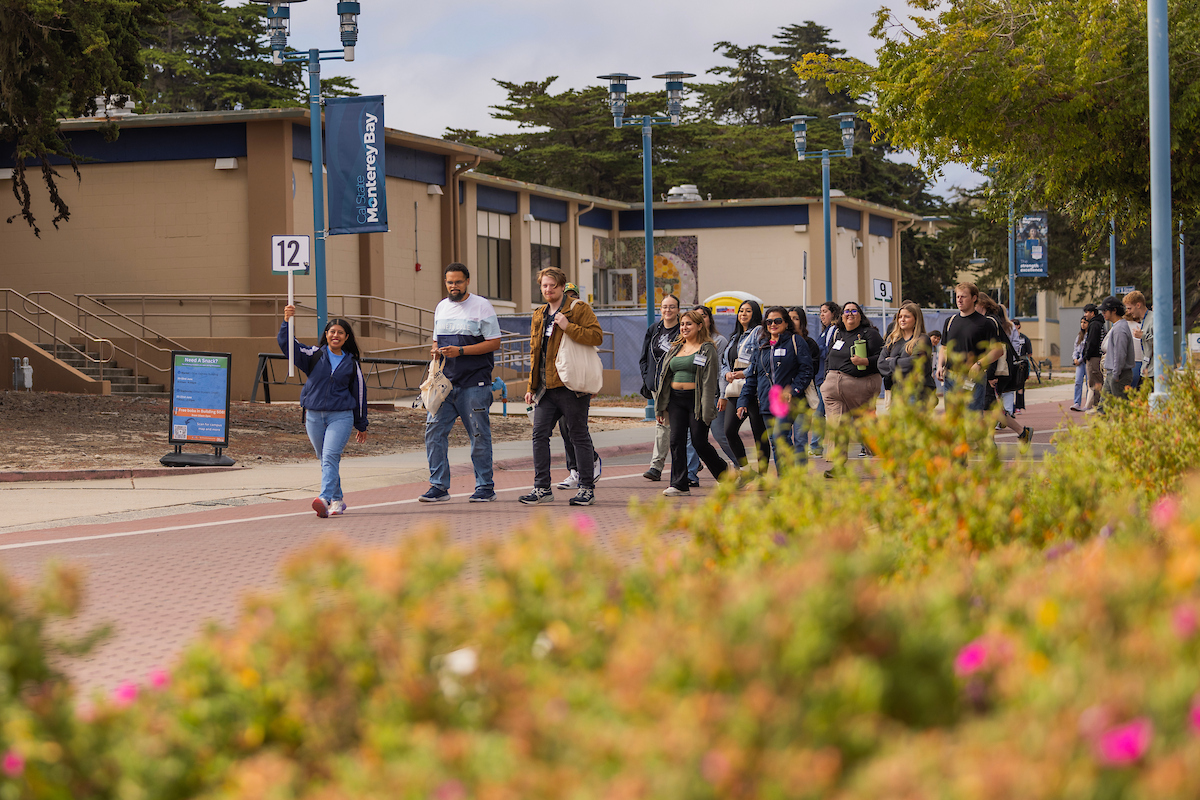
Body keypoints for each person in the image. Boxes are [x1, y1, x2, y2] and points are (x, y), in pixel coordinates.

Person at [419, 263, 503, 503]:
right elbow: (436, 341)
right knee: (433, 433)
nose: (453, 286)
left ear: (467, 281)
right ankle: (438, 486)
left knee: (478, 435)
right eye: (449, 282)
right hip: (444, 385)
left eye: (457, 282)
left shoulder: (481, 305)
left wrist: (462, 351)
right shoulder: (441, 307)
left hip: (474, 385)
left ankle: (485, 486)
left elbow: (494, 342)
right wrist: (436, 351)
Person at [521, 267, 604, 506]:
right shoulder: (539, 314)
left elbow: (596, 336)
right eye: (544, 286)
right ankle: (542, 488)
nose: (548, 290)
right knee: (539, 435)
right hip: (546, 389)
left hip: (572, 386)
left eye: (552, 286)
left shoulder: (578, 309)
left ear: (561, 286)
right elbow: (535, 352)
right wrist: (531, 386)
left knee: (578, 435)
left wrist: (568, 326)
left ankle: (586, 488)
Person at [279, 305, 368, 518]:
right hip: (313, 415)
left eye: (340, 333)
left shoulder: (351, 363)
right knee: (325, 458)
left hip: (341, 416)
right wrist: (286, 322)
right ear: (326, 335)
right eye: (332, 331)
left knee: (329, 456)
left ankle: (324, 498)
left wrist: (361, 423)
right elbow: (287, 346)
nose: (335, 335)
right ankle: (337, 500)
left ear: (346, 338)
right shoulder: (314, 355)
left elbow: (360, 393)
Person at [655, 309, 729, 496]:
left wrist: (707, 406)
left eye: (688, 324)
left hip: (697, 399)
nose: (684, 327)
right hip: (675, 400)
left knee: (699, 441)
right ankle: (679, 484)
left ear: (699, 326)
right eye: (682, 324)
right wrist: (660, 406)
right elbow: (665, 376)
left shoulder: (707, 348)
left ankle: (724, 474)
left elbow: (710, 379)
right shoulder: (675, 347)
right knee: (676, 441)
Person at [739, 306, 814, 472]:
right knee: (775, 443)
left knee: (781, 437)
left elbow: (806, 370)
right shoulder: (762, 346)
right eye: (769, 321)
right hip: (767, 402)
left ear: (786, 323)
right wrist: (743, 400)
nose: (773, 324)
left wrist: (793, 390)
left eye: (778, 321)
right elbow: (752, 376)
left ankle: (793, 477)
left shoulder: (795, 341)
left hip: (789, 401)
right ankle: (785, 483)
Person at [639, 295, 698, 484]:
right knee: (663, 424)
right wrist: (648, 378)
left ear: (678, 309)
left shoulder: (683, 330)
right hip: (657, 386)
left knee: (674, 427)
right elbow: (644, 357)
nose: (668, 310)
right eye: (664, 307)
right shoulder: (654, 329)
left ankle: (668, 465)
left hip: (676, 385)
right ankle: (658, 466)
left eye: (672, 307)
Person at [820, 300, 884, 464]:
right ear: (841, 316)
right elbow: (829, 357)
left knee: (865, 424)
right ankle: (838, 464)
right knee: (837, 425)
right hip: (834, 389)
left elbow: (882, 358)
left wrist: (865, 361)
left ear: (860, 315)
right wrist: (828, 375)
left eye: (854, 311)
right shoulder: (838, 334)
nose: (849, 314)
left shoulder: (869, 333)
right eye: (846, 311)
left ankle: (882, 455)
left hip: (860, 385)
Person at [555, 282, 602, 489]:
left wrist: (568, 326)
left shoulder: (581, 313)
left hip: (578, 381)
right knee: (563, 429)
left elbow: (595, 338)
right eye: (566, 296)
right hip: (556, 381)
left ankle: (589, 464)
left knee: (575, 428)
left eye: (572, 296)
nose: (570, 300)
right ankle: (574, 470)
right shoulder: (551, 316)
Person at [977, 293, 1032, 443]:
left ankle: (987, 440)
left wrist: (990, 374)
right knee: (991, 406)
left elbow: (996, 349)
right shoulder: (995, 320)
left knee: (987, 406)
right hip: (999, 370)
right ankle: (1022, 432)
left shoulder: (989, 321)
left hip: (995, 371)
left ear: (981, 304)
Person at [722, 300, 770, 470]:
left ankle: (763, 475)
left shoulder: (758, 332)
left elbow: (760, 360)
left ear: (755, 314)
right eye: (741, 311)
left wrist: (745, 373)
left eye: (748, 311)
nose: (743, 314)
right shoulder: (734, 336)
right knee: (728, 430)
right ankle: (744, 469)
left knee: (759, 434)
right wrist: (726, 373)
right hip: (735, 388)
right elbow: (724, 362)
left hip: (753, 387)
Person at [938, 283, 999, 413]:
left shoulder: (985, 323)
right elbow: (944, 347)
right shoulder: (950, 321)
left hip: (973, 378)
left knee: (972, 417)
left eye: (963, 296)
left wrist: (979, 364)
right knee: (953, 418)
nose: (959, 300)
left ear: (974, 298)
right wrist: (939, 366)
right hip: (951, 377)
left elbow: (998, 350)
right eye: (957, 296)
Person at [696, 304, 737, 465]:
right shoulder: (689, 341)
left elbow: (721, 370)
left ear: (709, 319)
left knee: (720, 434)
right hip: (694, 396)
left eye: (704, 316)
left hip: (713, 395)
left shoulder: (718, 341)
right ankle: (692, 473)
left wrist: (722, 395)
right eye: (696, 316)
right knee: (694, 438)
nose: (700, 319)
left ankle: (743, 465)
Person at [877, 301, 935, 406]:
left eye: (907, 317)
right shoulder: (893, 340)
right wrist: (901, 364)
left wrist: (891, 361)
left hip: (918, 392)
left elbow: (914, 364)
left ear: (916, 319)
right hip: (898, 392)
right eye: (900, 317)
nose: (902, 320)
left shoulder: (922, 339)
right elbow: (880, 364)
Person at [789, 306, 821, 463]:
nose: (792, 322)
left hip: (802, 398)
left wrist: (796, 386)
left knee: (800, 438)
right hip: (784, 398)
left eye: (795, 318)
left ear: (802, 322)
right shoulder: (780, 343)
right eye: (789, 318)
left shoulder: (810, 344)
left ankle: (800, 474)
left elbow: (811, 370)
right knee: (782, 437)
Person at [810, 301, 840, 457]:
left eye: (825, 311)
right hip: (820, 377)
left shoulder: (833, 330)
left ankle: (816, 446)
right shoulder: (825, 331)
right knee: (820, 413)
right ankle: (816, 446)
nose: (821, 315)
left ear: (833, 313)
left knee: (821, 413)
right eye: (820, 312)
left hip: (826, 377)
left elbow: (827, 352)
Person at [1100, 295, 1136, 401]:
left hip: (1119, 374)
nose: (1103, 313)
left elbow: (1120, 354)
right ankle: (1101, 416)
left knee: (1122, 406)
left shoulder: (1120, 329)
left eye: (1105, 310)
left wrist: (1116, 374)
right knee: (1104, 407)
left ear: (1114, 310)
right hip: (1114, 372)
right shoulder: (1118, 326)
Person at [1082, 303, 1105, 410]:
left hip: (1094, 357)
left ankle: (1097, 407)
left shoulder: (1094, 324)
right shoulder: (1099, 323)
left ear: (1092, 313)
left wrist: (1086, 355)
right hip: (1097, 356)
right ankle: (1095, 405)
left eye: (1087, 312)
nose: (1085, 315)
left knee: (1094, 383)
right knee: (1096, 382)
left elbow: (1091, 342)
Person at [1123, 290, 1147, 389]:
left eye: (1129, 308)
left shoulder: (1148, 321)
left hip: (1139, 362)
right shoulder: (1143, 322)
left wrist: (1143, 336)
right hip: (1142, 363)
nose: (1128, 311)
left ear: (1138, 305)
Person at [1011, 319, 1033, 413]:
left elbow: (1029, 353)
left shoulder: (1024, 338)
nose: (1014, 327)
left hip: (1022, 362)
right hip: (1012, 361)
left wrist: (1023, 359)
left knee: (1020, 384)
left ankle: (1019, 405)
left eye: (1015, 325)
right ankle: (1010, 406)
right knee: (1011, 384)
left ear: (1019, 326)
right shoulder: (1009, 337)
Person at [1069, 317, 1088, 411]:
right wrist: (1075, 358)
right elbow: (1076, 349)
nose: (1082, 324)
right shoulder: (1080, 335)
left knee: (1089, 383)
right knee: (1078, 382)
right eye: (1081, 322)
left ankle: (1089, 403)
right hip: (1080, 363)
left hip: (1087, 361)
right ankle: (1076, 402)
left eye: (1084, 322)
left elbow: (1086, 351)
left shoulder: (1090, 335)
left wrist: (1080, 359)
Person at [928, 330, 944, 396]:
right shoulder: (923, 347)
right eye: (934, 337)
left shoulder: (935, 349)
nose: (936, 340)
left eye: (938, 339)